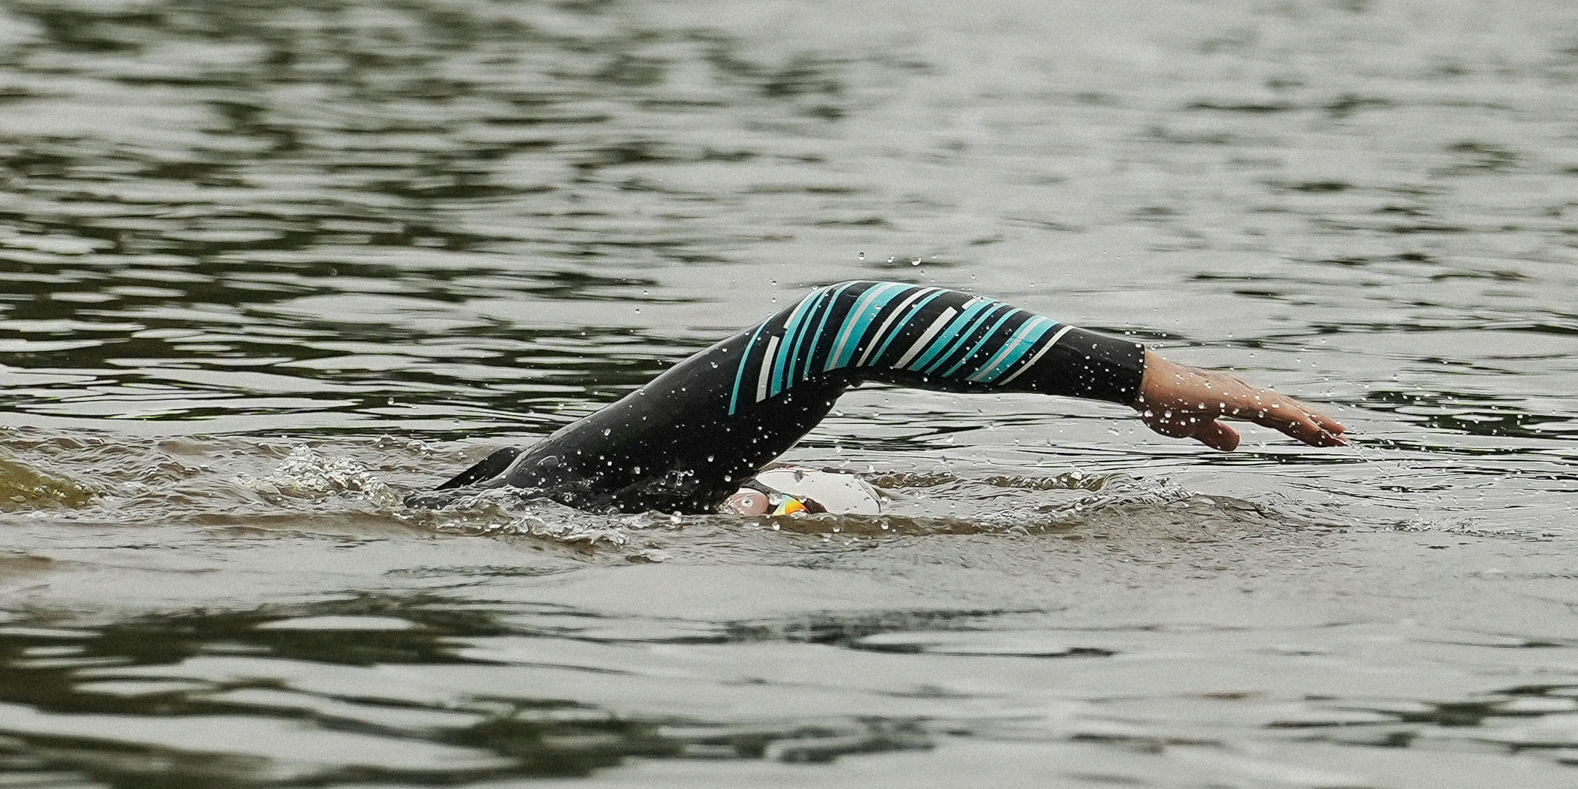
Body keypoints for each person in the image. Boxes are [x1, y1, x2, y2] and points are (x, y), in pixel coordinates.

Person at [411, 280, 1346, 516]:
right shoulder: (578, 495)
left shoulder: (592, 495)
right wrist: (1166, 384)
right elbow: (850, 322)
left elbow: (842, 331)